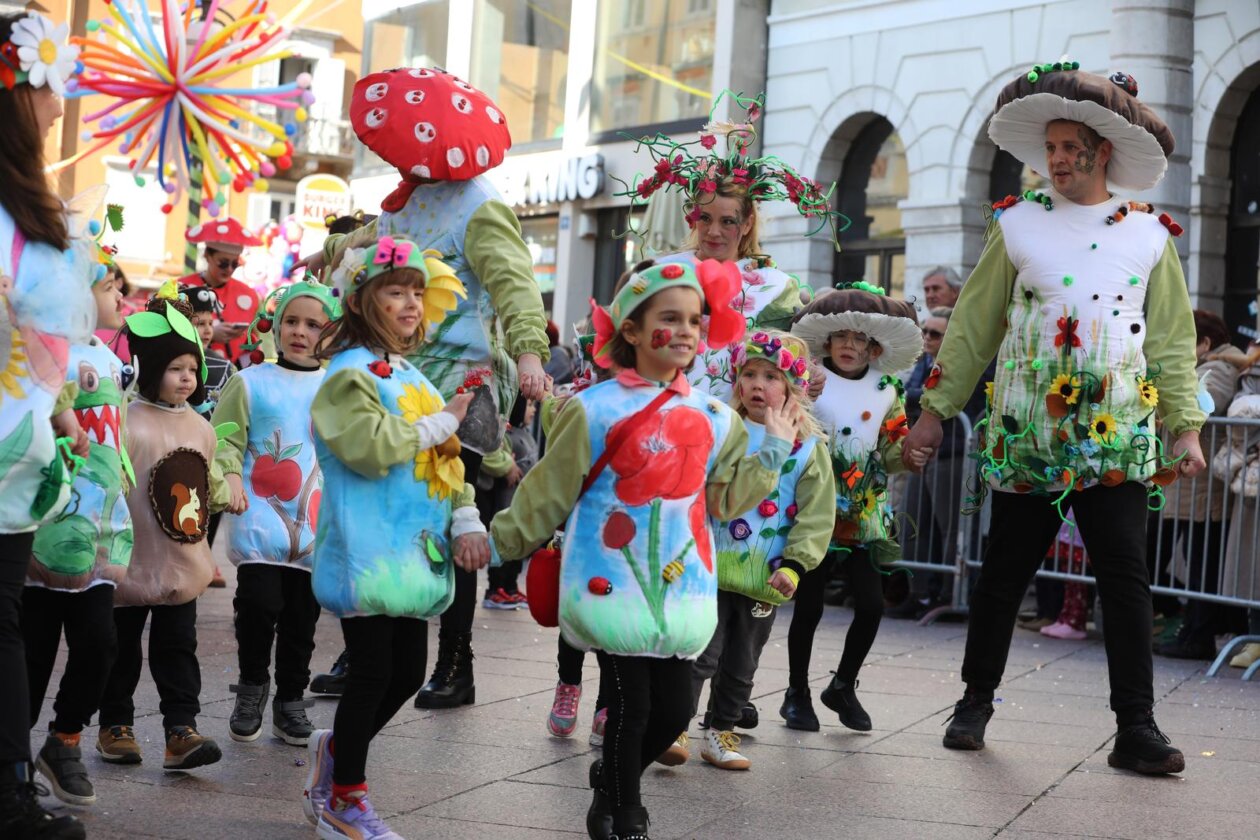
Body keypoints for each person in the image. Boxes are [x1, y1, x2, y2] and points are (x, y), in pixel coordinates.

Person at [902, 65, 1205, 776]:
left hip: (1119, 438)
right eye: (1052, 148)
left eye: (1072, 146)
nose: (1059, 159)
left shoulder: (1151, 236)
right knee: (1005, 573)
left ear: (1104, 150)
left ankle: (1137, 727)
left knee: (1125, 578)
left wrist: (1184, 427)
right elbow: (973, 330)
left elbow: (1169, 340)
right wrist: (934, 413)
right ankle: (974, 702)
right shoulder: (1017, 223)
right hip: (1029, 433)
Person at [490, 259, 797, 840]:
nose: (685, 331)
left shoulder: (715, 417)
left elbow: (728, 503)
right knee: (630, 705)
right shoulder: (591, 407)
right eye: (669, 318)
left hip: (683, 585)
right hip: (609, 578)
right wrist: (494, 543)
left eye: (695, 320)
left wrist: (774, 450)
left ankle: (610, 778)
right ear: (630, 330)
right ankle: (624, 810)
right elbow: (546, 493)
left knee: (676, 711)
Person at [314, 68, 551, 711]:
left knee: (453, 515)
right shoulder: (407, 197)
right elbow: (367, 243)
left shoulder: (481, 206)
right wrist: (334, 249)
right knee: (379, 504)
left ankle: (455, 663)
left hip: (461, 386)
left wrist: (530, 356)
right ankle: (363, 647)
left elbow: (516, 287)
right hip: (394, 374)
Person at [300, 236, 489, 840]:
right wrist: (440, 423)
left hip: (414, 554)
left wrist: (467, 517)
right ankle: (344, 798)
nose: (409, 303)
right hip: (366, 551)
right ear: (361, 300)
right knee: (373, 671)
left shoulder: (413, 375)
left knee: (407, 671)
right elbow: (368, 447)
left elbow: (450, 457)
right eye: (394, 291)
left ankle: (338, 754)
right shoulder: (347, 373)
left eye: (415, 291)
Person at [0, 11, 95, 837]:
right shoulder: (20, 219)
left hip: (15, 460)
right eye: (49, 89)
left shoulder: (31, 215)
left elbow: (42, 346)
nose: (60, 108)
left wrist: (59, 407)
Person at [628, 90, 840, 404]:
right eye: (705, 218)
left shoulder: (774, 287)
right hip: (664, 417)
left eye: (727, 221)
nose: (713, 232)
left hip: (738, 431)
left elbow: (788, 359)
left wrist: (809, 369)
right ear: (692, 218)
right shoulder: (664, 273)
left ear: (746, 224)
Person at [97, 287, 233, 772]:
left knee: (179, 647)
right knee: (120, 648)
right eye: (176, 369)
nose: (187, 378)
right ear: (151, 371)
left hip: (181, 563)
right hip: (132, 559)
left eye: (192, 369)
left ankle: (182, 729)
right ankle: (115, 725)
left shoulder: (201, 426)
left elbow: (204, 483)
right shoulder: (128, 421)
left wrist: (226, 490)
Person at [685, 330, 833, 771]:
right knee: (698, 652)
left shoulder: (809, 448)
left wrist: (795, 565)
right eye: (748, 373)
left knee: (741, 662)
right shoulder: (724, 428)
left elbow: (817, 514)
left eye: (770, 376)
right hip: (709, 566)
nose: (756, 383)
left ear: (793, 389)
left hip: (765, 575)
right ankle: (674, 723)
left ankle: (721, 729)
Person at [780, 285, 923, 732]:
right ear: (827, 342)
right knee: (809, 605)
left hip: (863, 513)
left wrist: (911, 456)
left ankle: (843, 684)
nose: (848, 345)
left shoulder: (887, 389)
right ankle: (796, 691)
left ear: (874, 346)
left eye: (859, 339)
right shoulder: (811, 381)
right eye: (841, 336)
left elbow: (893, 447)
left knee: (871, 604)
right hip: (813, 508)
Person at [24, 243, 131, 810]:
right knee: (32, 651)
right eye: (110, 284)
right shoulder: (46, 347)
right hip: (47, 523)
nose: (121, 296)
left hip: (101, 526)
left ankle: (64, 741)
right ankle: (14, 756)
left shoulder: (113, 358)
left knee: (99, 643)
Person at [213, 280, 339, 746]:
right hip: (260, 513)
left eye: (312, 323)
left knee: (303, 619)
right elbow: (224, 435)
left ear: (329, 332)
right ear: (276, 324)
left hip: (315, 518)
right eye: (290, 320)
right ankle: (251, 688)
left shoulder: (338, 385)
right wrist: (226, 476)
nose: (299, 331)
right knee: (258, 606)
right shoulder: (250, 381)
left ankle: (291, 700)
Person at [1153, 310, 1240, 659]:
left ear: (1205, 343)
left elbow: (1203, 404)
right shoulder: (1205, 367)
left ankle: (1198, 635)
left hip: (1202, 488)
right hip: (1189, 484)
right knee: (1193, 557)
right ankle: (1191, 630)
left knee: (1202, 561)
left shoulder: (1219, 368)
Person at [894, 306, 990, 618]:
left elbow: (943, 397)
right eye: (925, 331)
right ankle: (918, 593)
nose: (927, 338)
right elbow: (910, 393)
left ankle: (952, 593)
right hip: (923, 452)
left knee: (952, 530)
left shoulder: (967, 363)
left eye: (935, 333)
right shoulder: (921, 362)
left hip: (954, 454)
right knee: (912, 521)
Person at [181, 218, 263, 364]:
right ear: (207, 255)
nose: (229, 269)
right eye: (223, 263)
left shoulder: (250, 294)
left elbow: (260, 338)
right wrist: (210, 334)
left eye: (234, 264)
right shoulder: (180, 288)